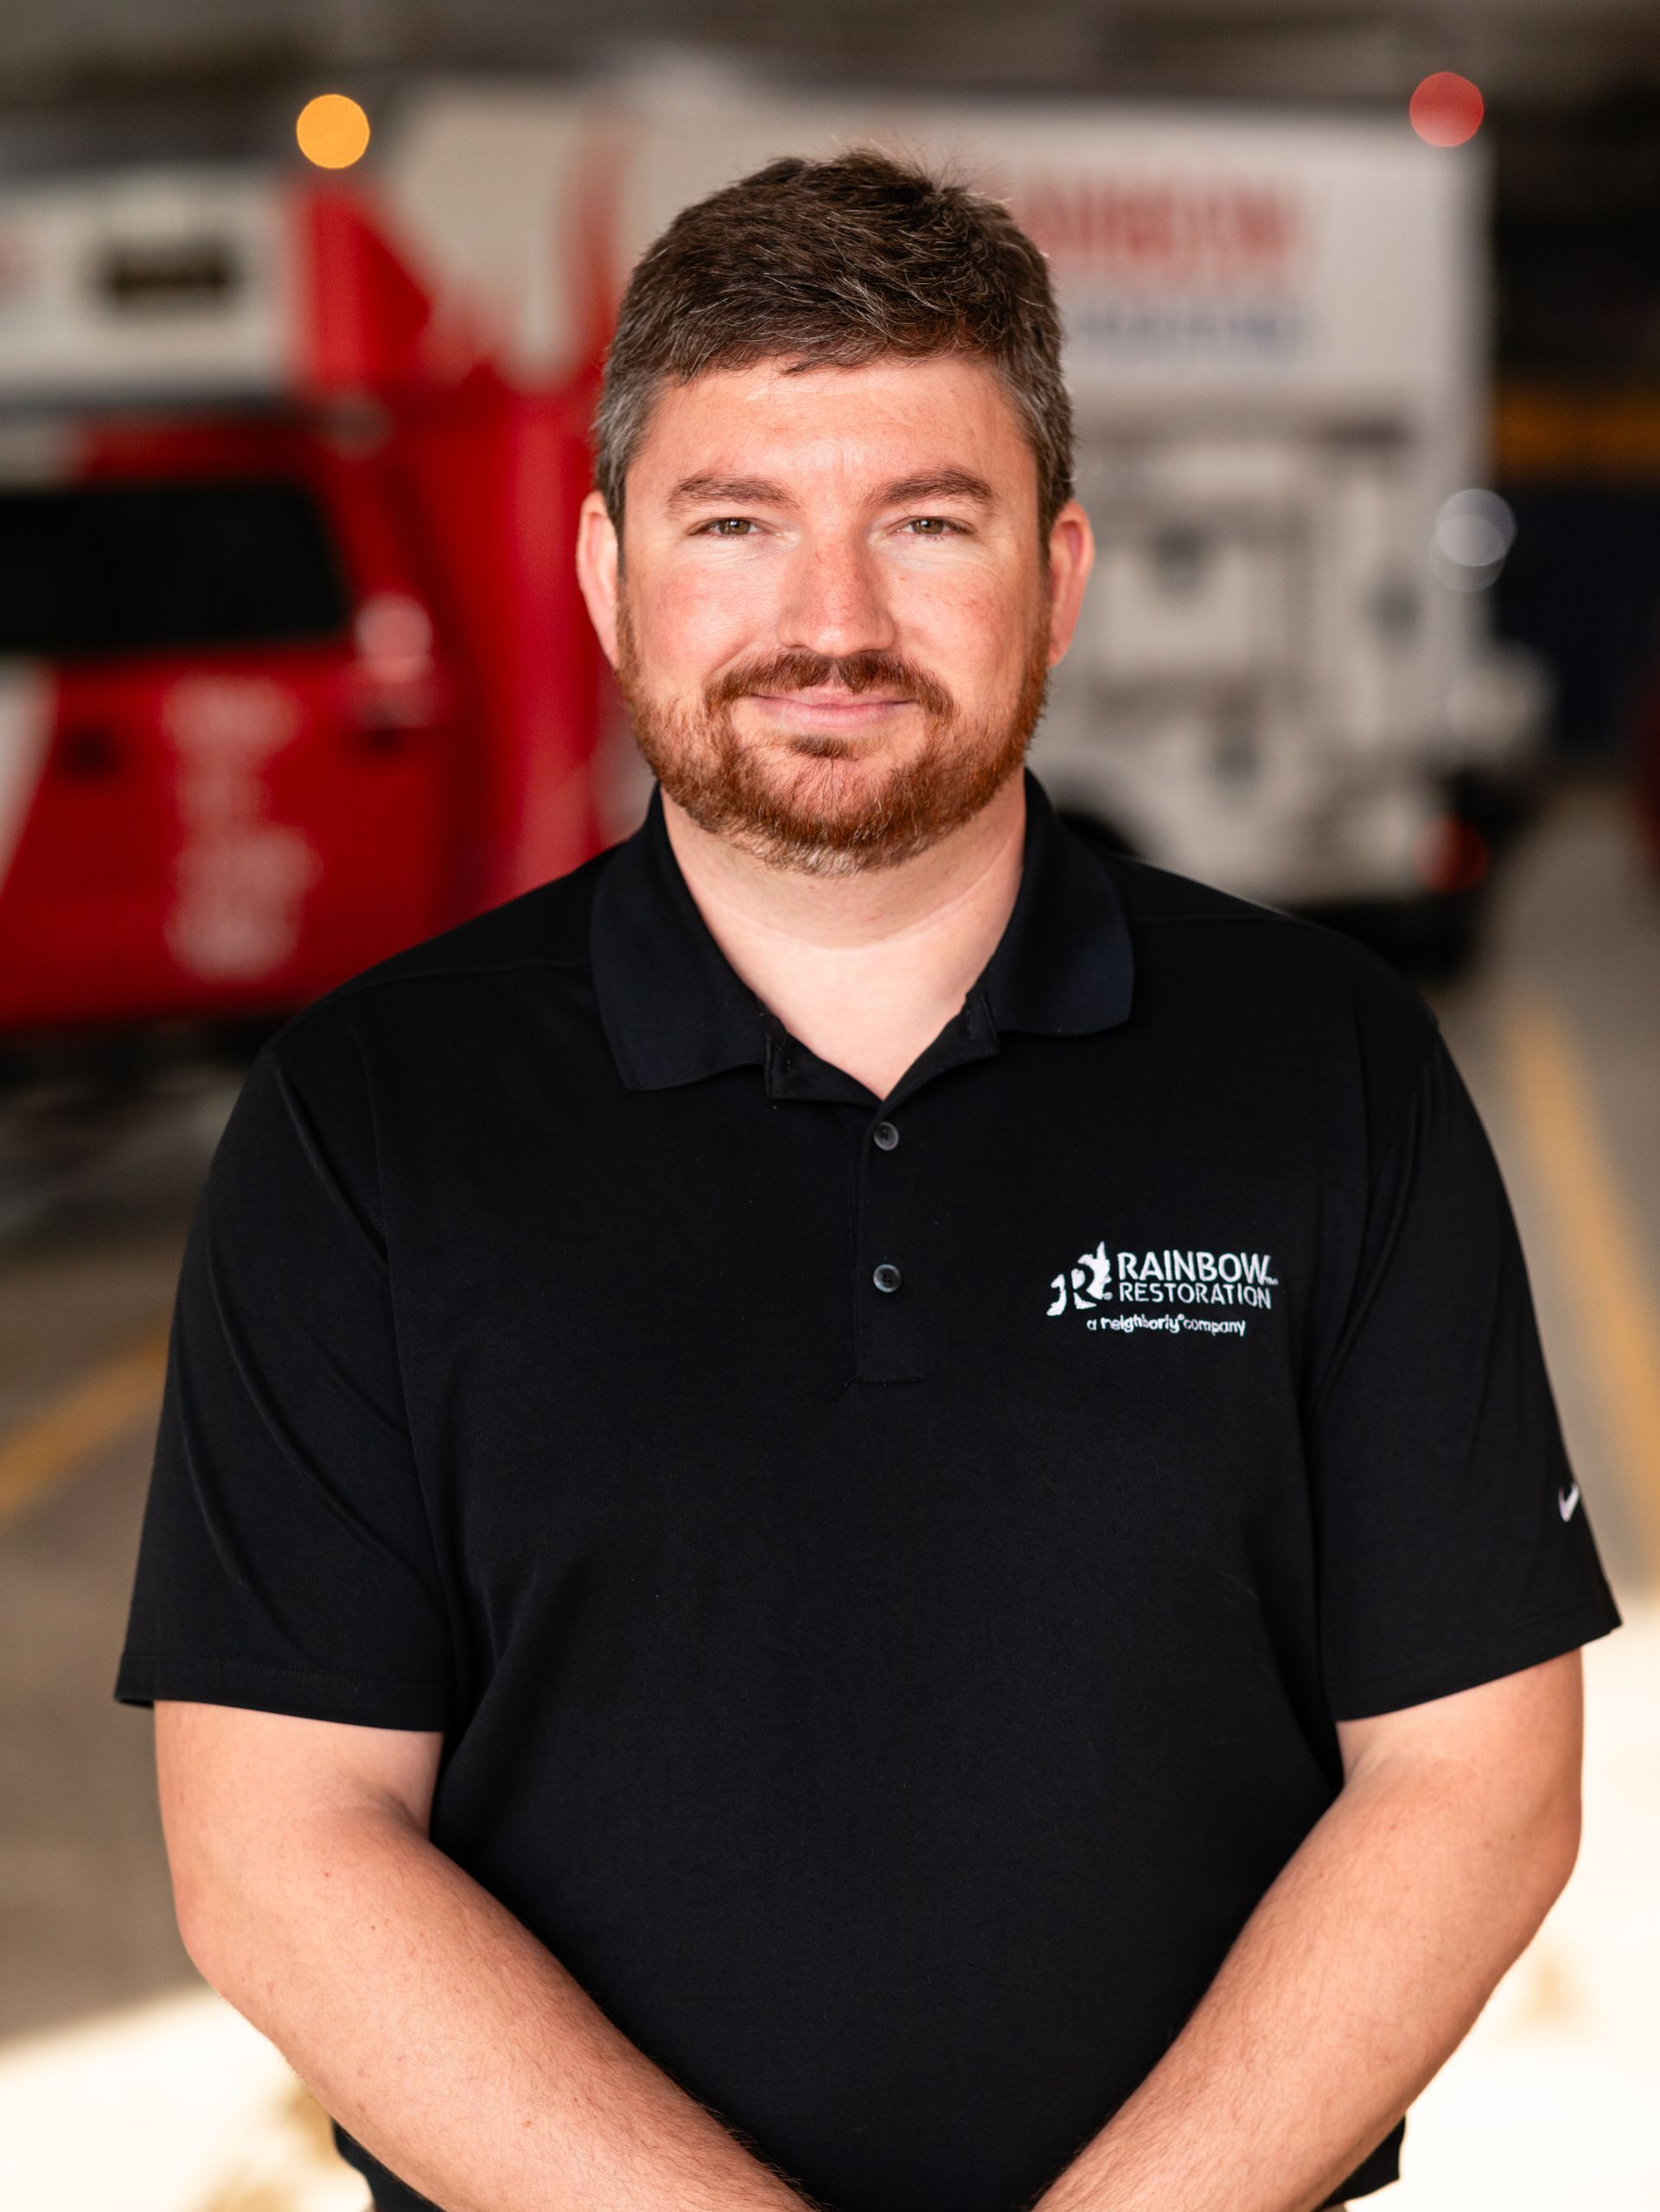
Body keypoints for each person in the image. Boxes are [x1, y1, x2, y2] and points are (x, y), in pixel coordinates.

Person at [118, 151, 1619, 2212]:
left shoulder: (1326, 1068)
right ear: (604, 571)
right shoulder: (367, 1121)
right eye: (736, 524)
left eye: (927, 522)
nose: (832, 621)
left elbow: (1475, 1776)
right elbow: (279, 1846)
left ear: (1062, 575)